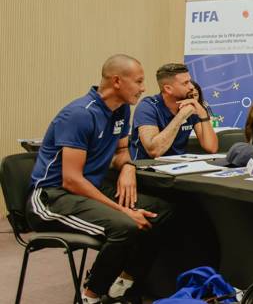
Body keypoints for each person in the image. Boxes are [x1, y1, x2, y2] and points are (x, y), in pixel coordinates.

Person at [27, 54, 173, 303]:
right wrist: (123, 211)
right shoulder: (79, 115)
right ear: (117, 81)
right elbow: (71, 180)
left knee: (162, 211)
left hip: (86, 190)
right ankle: (90, 296)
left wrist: (127, 167)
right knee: (124, 226)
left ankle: (124, 284)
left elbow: (120, 151)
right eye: (138, 81)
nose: (143, 88)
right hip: (52, 197)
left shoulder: (121, 110)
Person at [130, 63, 218, 160]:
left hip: (179, 166)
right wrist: (181, 116)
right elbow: (154, 151)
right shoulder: (148, 107)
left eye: (189, 81)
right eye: (185, 83)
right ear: (168, 89)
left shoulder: (190, 104)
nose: (191, 86)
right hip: (147, 168)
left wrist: (203, 114)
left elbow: (211, 148)